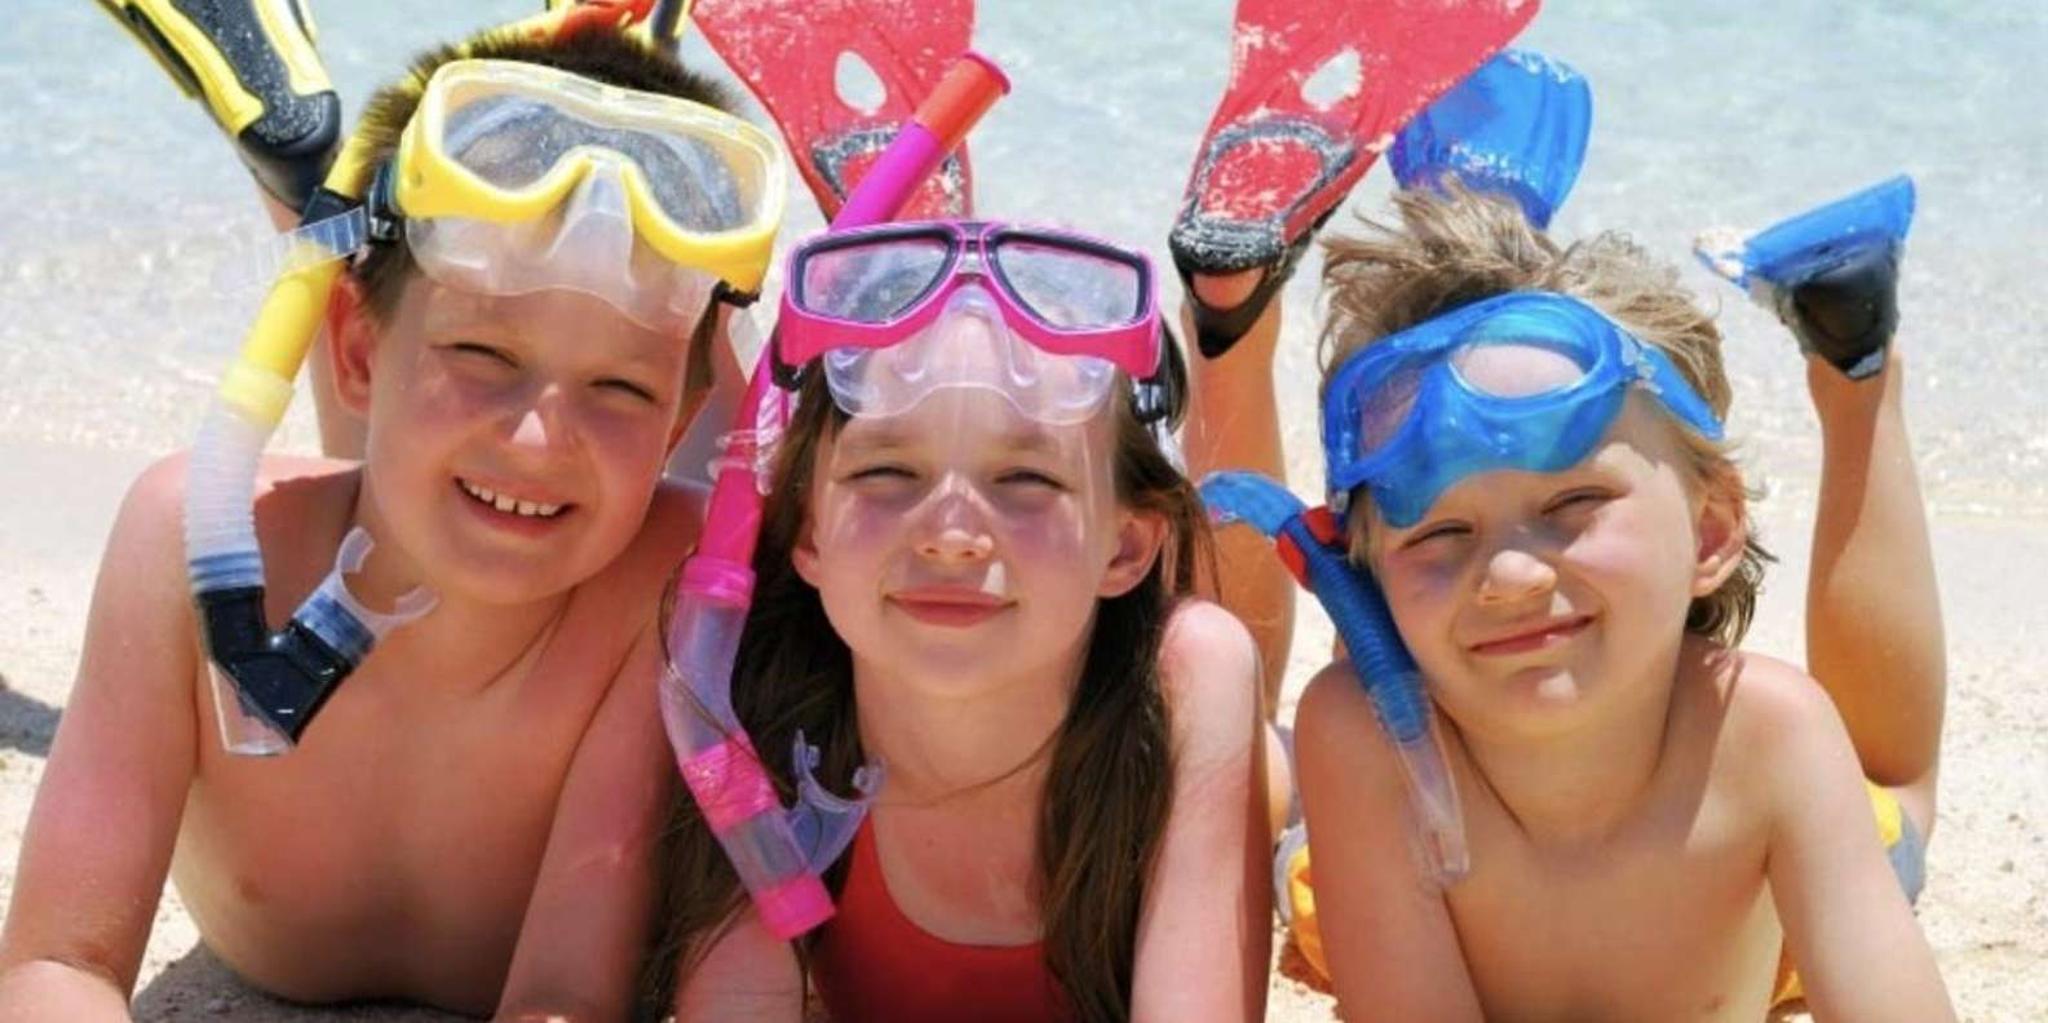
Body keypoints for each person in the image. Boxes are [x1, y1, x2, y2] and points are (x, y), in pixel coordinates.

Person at [0, 24, 777, 1019]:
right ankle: (299, 164)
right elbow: (57, 965)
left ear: (678, 417)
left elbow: (561, 998)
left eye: (622, 387)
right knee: (410, 475)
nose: (541, 437)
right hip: (371, 453)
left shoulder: (664, 588)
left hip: (582, 498)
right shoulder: (189, 543)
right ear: (352, 352)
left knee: (743, 508)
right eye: (486, 357)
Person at [1290, 183, 1953, 1021]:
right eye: (1438, 532)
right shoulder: (1368, 740)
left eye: (1573, 506)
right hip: (1374, 833)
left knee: (1897, 806)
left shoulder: (1769, 737)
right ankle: (1237, 319)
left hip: (1769, 912)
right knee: (1277, 822)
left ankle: (1854, 362)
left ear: (1710, 532)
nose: (1511, 576)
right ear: (1369, 578)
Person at [644, 220, 1270, 1021]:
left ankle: (1231, 332)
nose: (947, 534)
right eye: (887, 470)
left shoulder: (1191, 679)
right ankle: (922, 252)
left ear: (1126, 545)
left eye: (1023, 478)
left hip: (1160, 712)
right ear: (806, 533)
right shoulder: (752, 704)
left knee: (1233, 646)